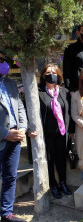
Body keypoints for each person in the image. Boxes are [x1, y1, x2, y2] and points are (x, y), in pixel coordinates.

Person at [29, 64, 74, 199]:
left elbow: (70, 112)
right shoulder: (38, 93)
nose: (51, 74)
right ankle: (53, 185)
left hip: (62, 133)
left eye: (54, 72)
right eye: (48, 72)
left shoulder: (64, 92)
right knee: (50, 160)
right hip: (46, 134)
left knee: (61, 159)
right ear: (43, 76)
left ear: (58, 75)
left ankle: (63, 183)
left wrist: (71, 130)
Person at [0, 52, 27, 222]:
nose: (4, 64)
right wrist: (5, 134)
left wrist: (23, 128)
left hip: (15, 137)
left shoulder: (10, 83)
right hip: (4, 137)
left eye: (5, 60)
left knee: (10, 177)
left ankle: (6, 213)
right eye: (1, 60)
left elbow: (20, 108)